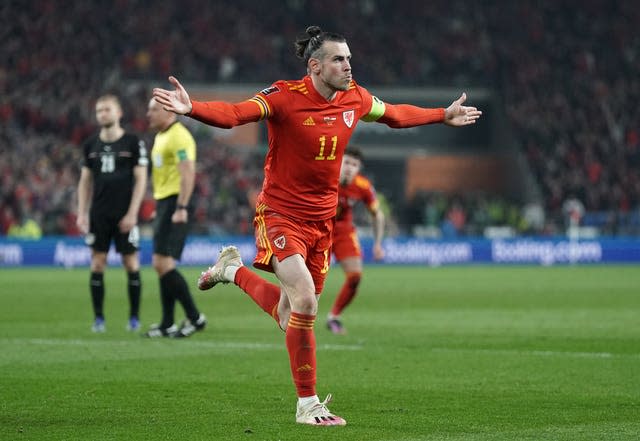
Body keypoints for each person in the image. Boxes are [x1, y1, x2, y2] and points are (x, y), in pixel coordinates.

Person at [152, 25, 481, 426]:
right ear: (315, 65)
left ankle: (232, 270)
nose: (348, 66)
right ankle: (307, 405)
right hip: (279, 213)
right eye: (339, 59)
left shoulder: (354, 97)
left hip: (322, 223)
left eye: (349, 59)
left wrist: (441, 115)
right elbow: (237, 114)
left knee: (291, 314)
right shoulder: (284, 97)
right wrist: (194, 108)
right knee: (306, 300)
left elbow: (393, 114)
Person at [77, 94, 148, 333]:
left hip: (125, 213)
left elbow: (141, 180)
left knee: (131, 262)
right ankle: (98, 319)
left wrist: (132, 213)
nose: (102, 114)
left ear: (119, 113)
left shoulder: (132, 142)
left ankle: (134, 318)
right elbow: (85, 182)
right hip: (99, 213)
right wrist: (82, 213)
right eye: (98, 111)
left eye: (106, 109)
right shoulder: (90, 145)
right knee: (97, 263)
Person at [143, 98, 207, 338]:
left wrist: (180, 206)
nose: (148, 114)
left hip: (176, 202)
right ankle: (167, 322)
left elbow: (188, 173)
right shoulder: (161, 136)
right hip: (165, 202)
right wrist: (159, 207)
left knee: (163, 264)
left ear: (168, 111)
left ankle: (195, 317)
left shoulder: (179, 136)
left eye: (153, 109)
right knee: (160, 265)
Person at [326, 146, 385, 335]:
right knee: (308, 278)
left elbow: (378, 215)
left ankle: (333, 316)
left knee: (355, 277)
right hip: (318, 229)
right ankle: (296, 315)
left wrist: (377, 243)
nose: (350, 168)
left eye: (354, 165)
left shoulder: (363, 186)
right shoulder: (325, 175)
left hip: (343, 231)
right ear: (339, 162)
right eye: (347, 163)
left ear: (359, 168)